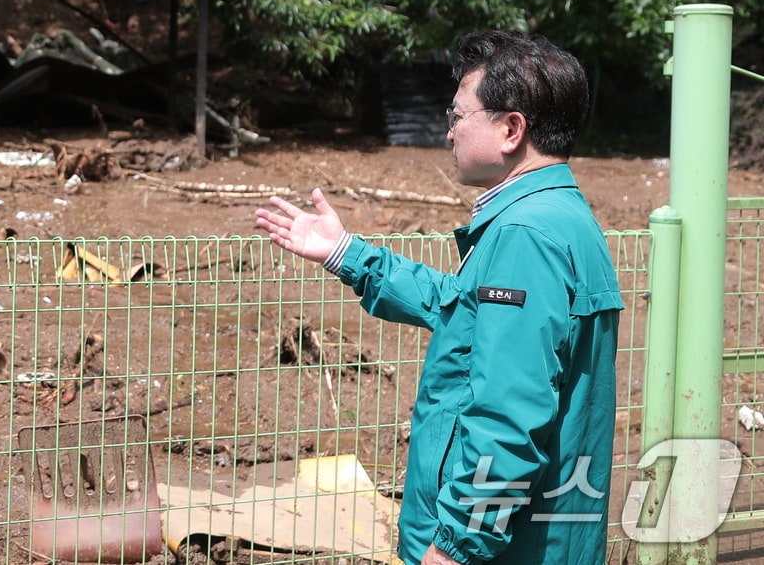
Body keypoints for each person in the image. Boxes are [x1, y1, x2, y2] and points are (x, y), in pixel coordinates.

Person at [256, 30, 622, 565]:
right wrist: (345, 253)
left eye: (457, 116)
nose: (446, 132)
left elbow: (507, 419)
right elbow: (461, 308)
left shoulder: (526, 237)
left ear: (510, 128)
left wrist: (451, 548)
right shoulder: (558, 216)